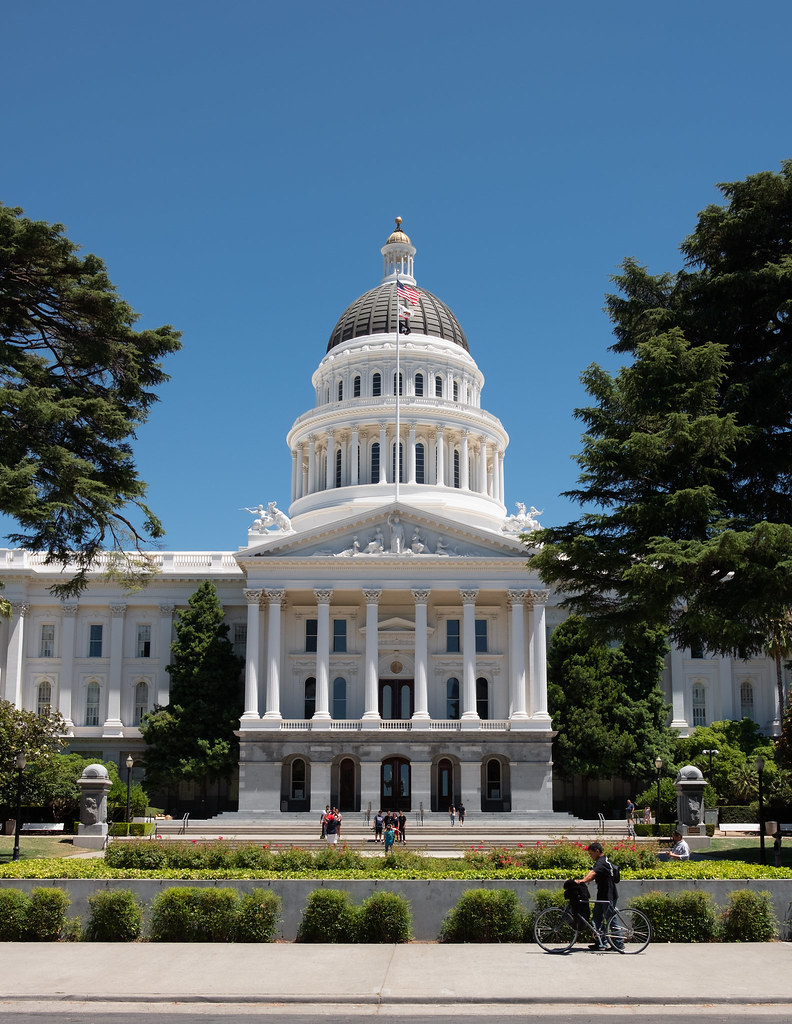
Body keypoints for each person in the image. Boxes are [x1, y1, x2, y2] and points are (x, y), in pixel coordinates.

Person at [575, 841, 619, 950]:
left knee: (610, 920)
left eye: (591, 854)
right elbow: (595, 874)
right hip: (602, 895)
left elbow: (593, 873)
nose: (590, 856)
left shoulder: (602, 862)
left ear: (597, 851)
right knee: (596, 918)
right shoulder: (602, 861)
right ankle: (601, 942)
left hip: (608, 896)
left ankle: (619, 943)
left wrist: (582, 881)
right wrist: (584, 880)